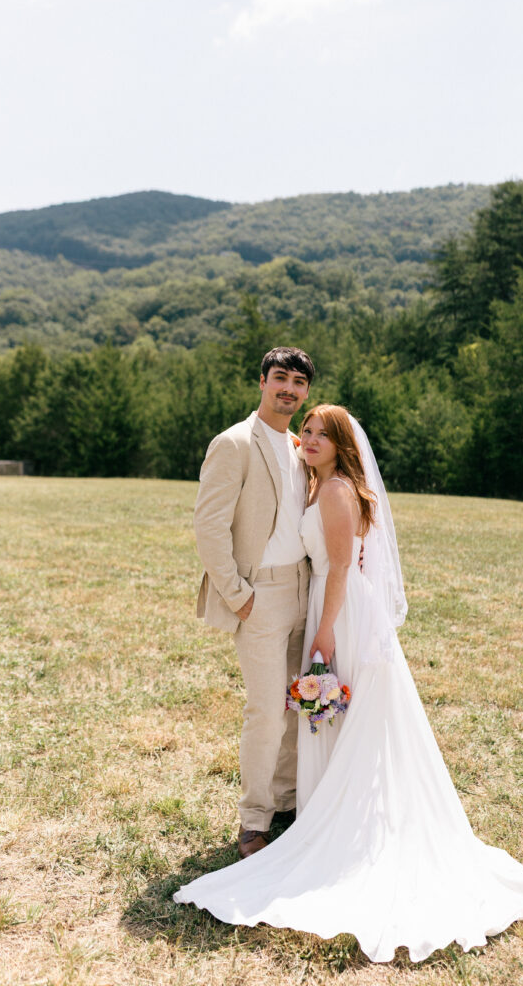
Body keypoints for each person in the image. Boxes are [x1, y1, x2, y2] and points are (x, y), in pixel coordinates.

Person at [175, 405, 523, 962]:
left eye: (323, 434)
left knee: (348, 716)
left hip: (338, 612)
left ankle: (339, 817)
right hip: (322, 604)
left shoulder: (339, 491)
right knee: (333, 718)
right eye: (308, 432)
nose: (310, 439)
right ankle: (317, 806)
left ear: (345, 445)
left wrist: (324, 634)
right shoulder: (320, 481)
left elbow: (341, 567)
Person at [193, 346, 314, 859]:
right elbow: (209, 524)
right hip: (258, 595)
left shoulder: (301, 445)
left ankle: (286, 801)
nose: (289, 388)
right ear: (261, 381)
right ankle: (253, 821)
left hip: (304, 592)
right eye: (280, 378)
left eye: (299, 383)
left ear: (307, 392)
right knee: (265, 711)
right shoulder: (235, 443)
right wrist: (238, 595)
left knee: (297, 705)